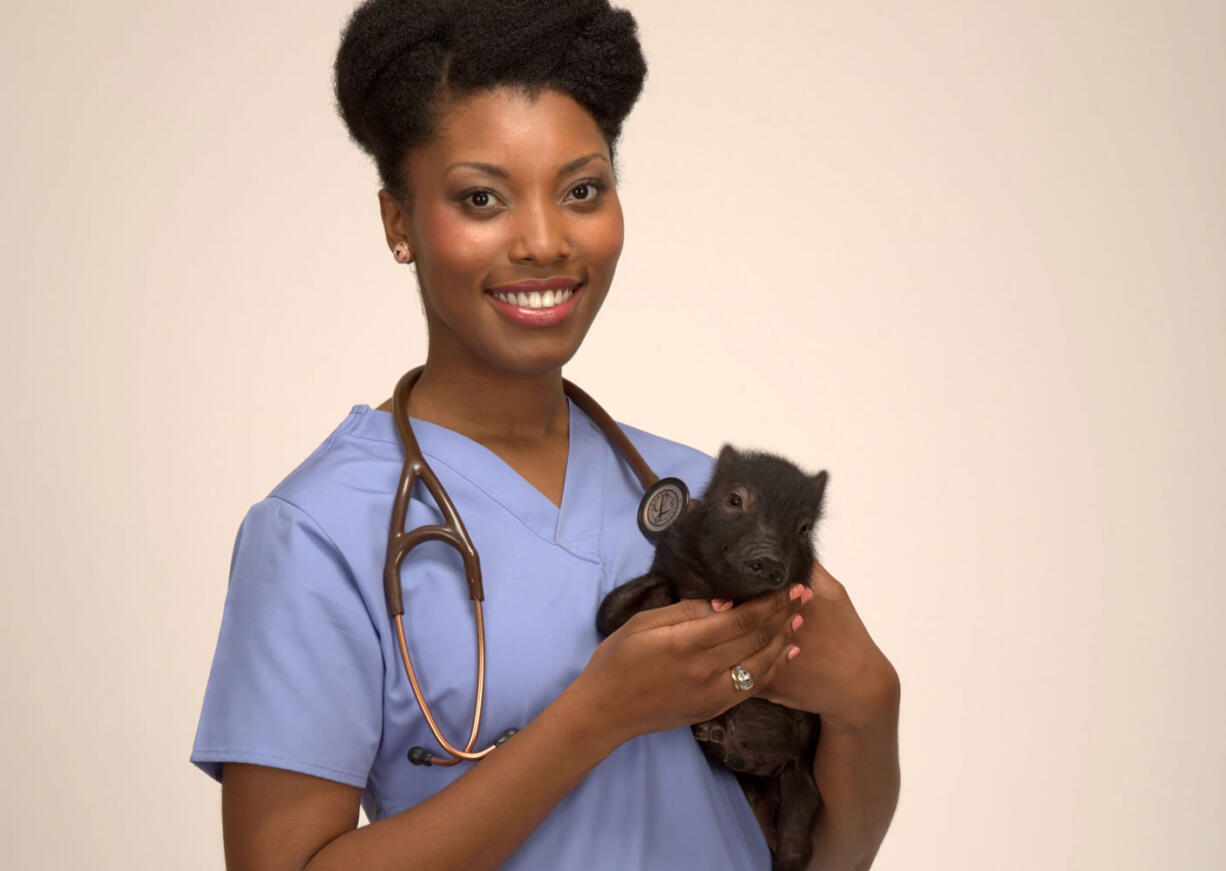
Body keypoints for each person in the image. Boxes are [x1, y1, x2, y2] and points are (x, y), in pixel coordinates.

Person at [189, 1, 901, 868]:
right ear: (399, 222)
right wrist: (595, 716)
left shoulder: (702, 504)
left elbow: (825, 851)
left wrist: (870, 699)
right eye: (481, 197)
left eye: (581, 190)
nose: (544, 241)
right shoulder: (319, 533)